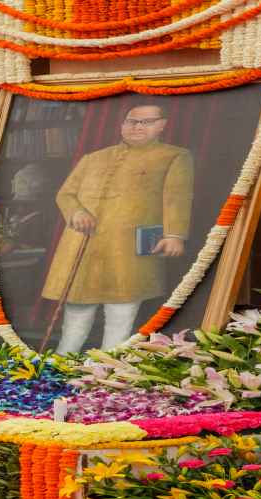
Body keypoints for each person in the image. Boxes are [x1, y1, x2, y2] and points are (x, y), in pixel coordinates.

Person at [42, 103, 193, 354]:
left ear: (162, 125)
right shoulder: (93, 158)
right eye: (131, 121)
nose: (136, 127)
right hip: (82, 243)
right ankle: (64, 356)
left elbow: (176, 197)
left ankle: (110, 361)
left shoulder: (174, 156)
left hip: (127, 245)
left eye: (146, 122)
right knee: (78, 303)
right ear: (122, 126)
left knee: (121, 305)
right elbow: (66, 194)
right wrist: (76, 212)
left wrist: (174, 235)